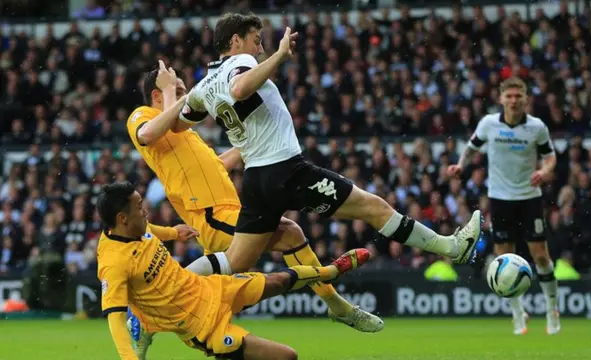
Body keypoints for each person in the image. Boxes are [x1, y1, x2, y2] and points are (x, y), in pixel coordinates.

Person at [178, 13, 483, 282]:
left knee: (235, 260)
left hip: (256, 179)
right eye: (256, 41)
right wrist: (280, 55)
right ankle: (452, 248)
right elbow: (240, 88)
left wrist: (170, 94)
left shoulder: (202, 86)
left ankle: (168, 288)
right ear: (235, 40)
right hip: (285, 169)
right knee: (373, 208)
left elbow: (180, 121)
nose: (259, 49)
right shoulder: (240, 62)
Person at [126, 61, 381, 357]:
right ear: (157, 95)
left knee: (203, 291)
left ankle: (146, 319)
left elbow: (216, 166)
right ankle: (337, 305)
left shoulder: (187, 137)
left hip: (229, 209)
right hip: (209, 213)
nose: (187, 96)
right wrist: (176, 91)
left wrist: (252, 145)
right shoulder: (142, 116)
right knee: (288, 233)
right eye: (177, 89)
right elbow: (147, 134)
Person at [96, 181, 370, 360]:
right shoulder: (114, 264)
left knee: (277, 281)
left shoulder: (134, 228)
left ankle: (332, 271)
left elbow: (148, 231)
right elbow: (115, 319)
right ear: (122, 219)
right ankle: (144, 324)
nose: (146, 212)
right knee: (288, 357)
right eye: (140, 209)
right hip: (201, 326)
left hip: (207, 288)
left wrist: (172, 233)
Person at [447, 76, 560, 335]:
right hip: (499, 199)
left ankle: (552, 309)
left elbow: (551, 156)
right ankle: (517, 313)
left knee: (540, 256)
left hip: (529, 197)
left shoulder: (536, 127)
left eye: (518, 96)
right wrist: (461, 165)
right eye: (509, 96)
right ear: (501, 99)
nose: (513, 100)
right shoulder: (489, 124)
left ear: (525, 99)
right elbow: (471, 147)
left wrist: (544, 171)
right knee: (503, 258)